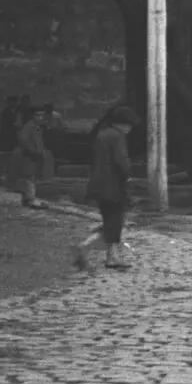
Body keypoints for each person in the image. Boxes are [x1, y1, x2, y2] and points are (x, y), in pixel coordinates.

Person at [76, 105, 138, 271]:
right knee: (115, 222)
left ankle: (112, 256)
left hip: (99, 184)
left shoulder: (101, 135)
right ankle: (87, 246)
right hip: (114, 185)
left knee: (110, 221)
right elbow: (121, 160)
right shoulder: (117, 137)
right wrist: (129, 176)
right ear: (124, 124)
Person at [11, 104, 51, 209]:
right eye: (37, 115)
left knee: (32, 176)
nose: (40, 117)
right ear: (32, 115)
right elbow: (23, 140)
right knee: (29, 177)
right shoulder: (29, 126)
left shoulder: (37, 126)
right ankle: (30, 199)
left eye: (42, 115)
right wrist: (32, 151)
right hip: (29, 156)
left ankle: (27, 198)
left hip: (35, 155)